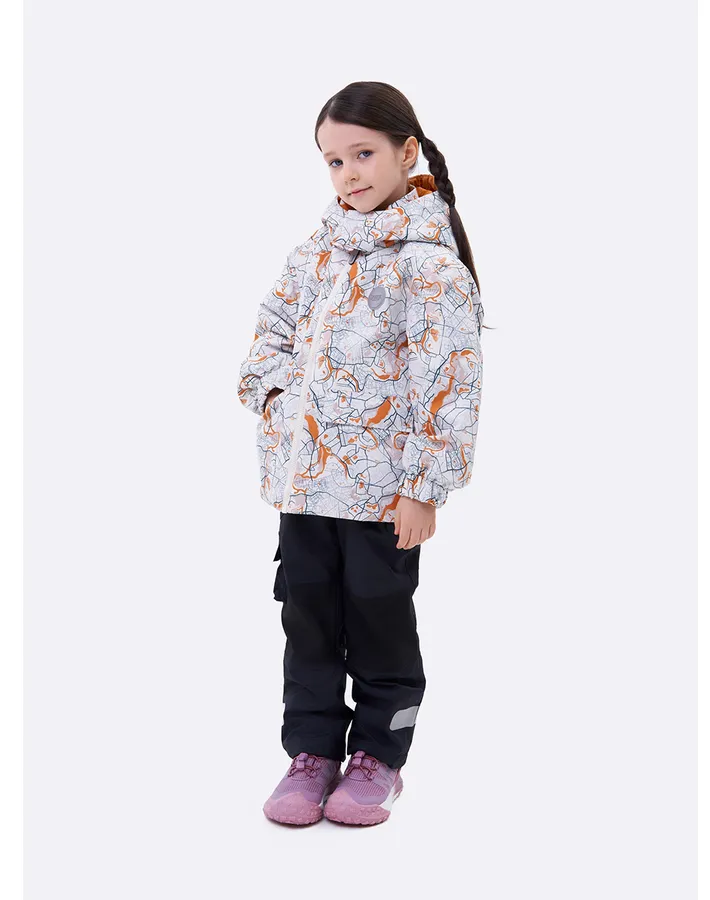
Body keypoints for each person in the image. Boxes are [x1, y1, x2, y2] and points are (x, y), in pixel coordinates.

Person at [236, 81, 486, 826]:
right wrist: (279, 401)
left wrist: (424, 487)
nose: (348, 173)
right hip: (305, 485)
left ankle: (379, 756)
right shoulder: (316, 252)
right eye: (334, 160)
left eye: (363, 153)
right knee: (307, 618)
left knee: (379, 620)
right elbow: (269, 334)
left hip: (383, 495)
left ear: (408, 152)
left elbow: (448, 380)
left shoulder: (429, 265)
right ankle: (311, 754)